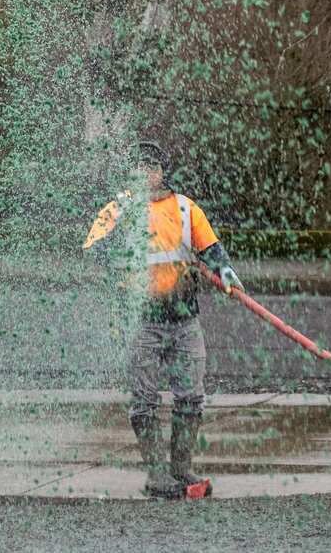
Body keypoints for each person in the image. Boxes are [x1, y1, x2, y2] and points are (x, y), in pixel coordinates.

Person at [83, 140, 244, 499]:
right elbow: (93, 249)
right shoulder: (118, 210)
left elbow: (211, 249)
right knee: (145, 400)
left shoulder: (186, 210)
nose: (145, 173)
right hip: (141, 321)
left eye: (151, 166)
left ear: (161, 172)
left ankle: (180, 469)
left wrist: (225, 270)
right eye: (138, 166)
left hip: (185, 319)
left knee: (190, 397)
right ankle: (156, 475)